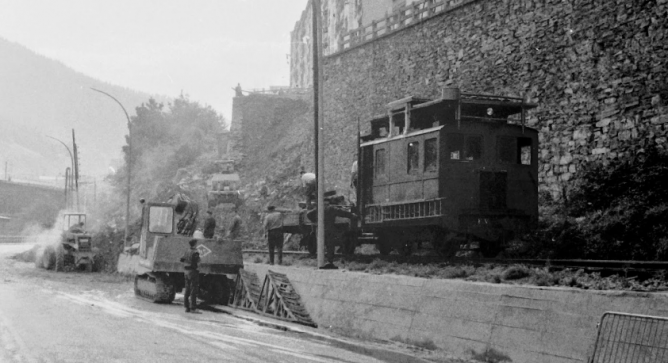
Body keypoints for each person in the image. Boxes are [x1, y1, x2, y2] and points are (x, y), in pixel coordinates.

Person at [307, 197, 357, 269]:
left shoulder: (318, 209)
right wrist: (352, 215)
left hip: (320, 230)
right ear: (329, 203)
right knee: (330, 246)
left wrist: (316, 221)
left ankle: (320, 262)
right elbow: (342, 213)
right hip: (329, 230)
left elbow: (309, 214)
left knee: (321, 245)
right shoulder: (331, 209)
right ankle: (329, 262)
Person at [180, 239, 200, 313]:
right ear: (195, 244)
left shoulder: (186, 251)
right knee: (193, 290)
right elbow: (197, 261)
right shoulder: (195, 252)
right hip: (193, 271)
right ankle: (193, 308)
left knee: (187, 289)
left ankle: (186, 307)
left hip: (186, 271)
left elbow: (181, 259)